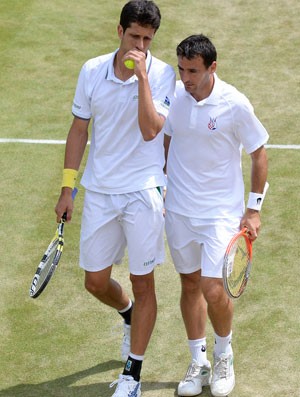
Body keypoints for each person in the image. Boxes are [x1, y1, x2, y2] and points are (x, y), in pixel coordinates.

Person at [55, 1, 175, 396]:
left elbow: (149, 130)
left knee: (144, 283)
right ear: (118, 31)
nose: (140, 45)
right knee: (94, 281)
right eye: (134, 36)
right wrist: (68, 187)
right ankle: (127, 315)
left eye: (147, 39)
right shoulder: (91, 70)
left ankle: (132, 375)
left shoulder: (161, 75)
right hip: (101, 190)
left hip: (143, 191)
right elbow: (78, 130)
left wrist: (141, 77)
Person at [164, 34, 269, 397]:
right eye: (181, 69)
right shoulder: (176, 97)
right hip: (178, 210)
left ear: (213, 67)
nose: (186, 77)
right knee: (189, 284)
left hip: (220, 215)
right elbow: (168, 138)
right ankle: (199, 362)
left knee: (212, 287)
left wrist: (253, 209)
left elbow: (259, 153)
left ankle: (224, 354)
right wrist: (163, 185)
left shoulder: (234, 103)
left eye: (193, 70)